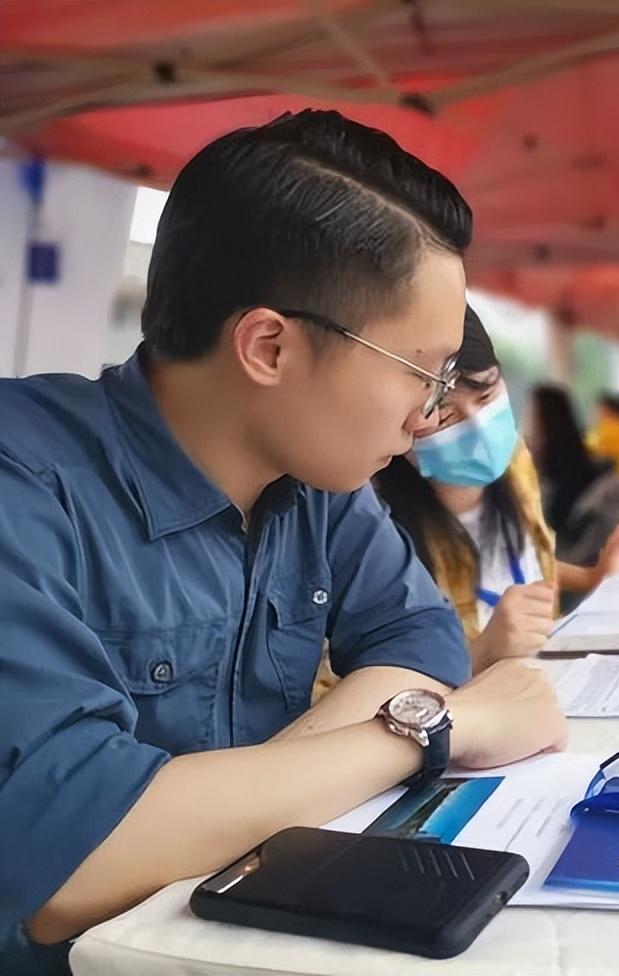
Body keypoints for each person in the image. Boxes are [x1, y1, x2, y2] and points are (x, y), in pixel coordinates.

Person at [0, 111, 566, 973]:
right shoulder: (24, 483)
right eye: (424, 373)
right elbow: (63, 874)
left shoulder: (314, 483)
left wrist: (216, 805)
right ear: (269, 345)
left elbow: (419, 640)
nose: (430, 415)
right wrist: (434, 728)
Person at [374, 308, 619, 673]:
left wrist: (592, 577)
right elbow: (371, 699)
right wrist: (481, 654)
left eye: (486, 395)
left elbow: (521, 562)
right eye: (444, 414)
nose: (478, 424)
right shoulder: (375, 532)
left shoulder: (513, 462)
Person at [526, 382, 606, 541]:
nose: (526, 433)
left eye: (531, 420)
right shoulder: (580, 467)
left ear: (547, 426)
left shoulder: (559, 484)